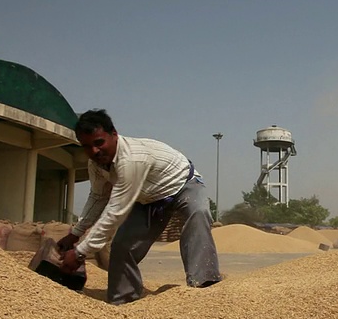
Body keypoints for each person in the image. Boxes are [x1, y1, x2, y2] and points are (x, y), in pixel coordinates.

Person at [58, 109, 221, 305]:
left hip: (182, 184)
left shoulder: (132, 160)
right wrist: (75, 233)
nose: (94, 151)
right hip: (148, 198)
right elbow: (98, 197)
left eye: (99, 142)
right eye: (87, 146)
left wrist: (78, 253)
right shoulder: (96, 165)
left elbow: (116, 211)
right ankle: (123, 301)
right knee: (122, 245)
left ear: (114, 135)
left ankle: (203, 284)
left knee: (199, 213)